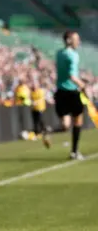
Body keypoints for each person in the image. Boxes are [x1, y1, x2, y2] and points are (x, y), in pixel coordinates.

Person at [55, 31, 86, 160]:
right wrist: (82, 85)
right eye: (76, 39)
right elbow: (72, 76)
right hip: (72, 91)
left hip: (60, 91)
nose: (78, 42)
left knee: (66, 124)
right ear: (68, 40)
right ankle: (74, 151)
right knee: (78, 119)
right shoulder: (73, 55)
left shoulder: (59, 53)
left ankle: (48, 130)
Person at [30, 81, 51, 148]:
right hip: (34, 109)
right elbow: (31, 99)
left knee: (41, 121)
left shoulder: (40, 91)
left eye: (35, 85)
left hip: (40, 108)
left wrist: (35, 102)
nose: (33, 87)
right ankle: (37, 134)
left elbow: (41, 98)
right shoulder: (32, 92)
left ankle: (44, 133)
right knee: (35, 122)